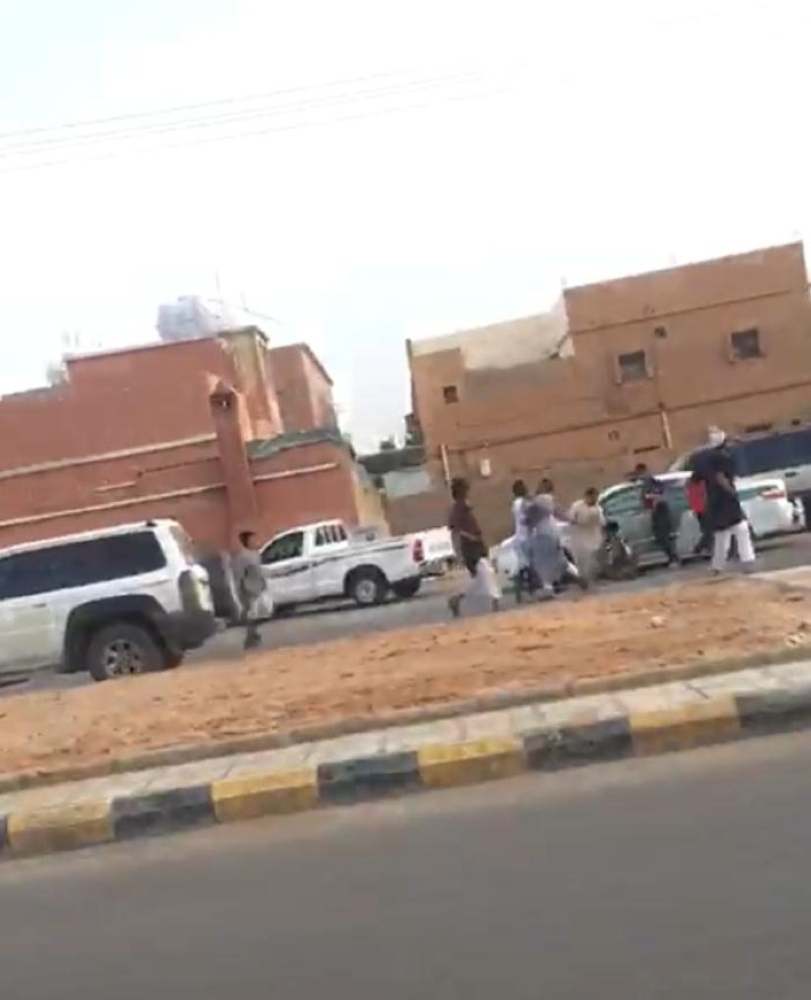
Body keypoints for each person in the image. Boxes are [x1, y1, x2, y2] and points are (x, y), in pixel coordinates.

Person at [695, 427, 756, 575]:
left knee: (722, 534)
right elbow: (720, 476)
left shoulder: (705, 458)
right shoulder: (722, 457)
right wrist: (731, 491)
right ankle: (747, 561)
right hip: (726, 498)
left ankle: (717, 566)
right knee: (741, 529)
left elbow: (700, 477)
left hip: (714, 499)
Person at [447, 477, 501, 617]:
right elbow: (455, 531)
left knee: (480, 579)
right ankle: (495, 601)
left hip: (476, 546)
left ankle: (457, 600)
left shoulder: (465, 507)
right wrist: (459, 551)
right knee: (486, 572)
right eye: (465, 490)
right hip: (470, 548)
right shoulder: (457, 510)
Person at [232, 530, 270, 650]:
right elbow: (239, 575)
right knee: (251, 613)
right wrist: (240, 591)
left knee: (259, 613)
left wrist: (264, 583)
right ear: (246, 541)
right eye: (252, 539)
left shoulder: (256, 554)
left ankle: (253, 634)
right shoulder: (242, 557)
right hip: (248, 588)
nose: (255, 541)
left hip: (258, 587)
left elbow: (259, 571)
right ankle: (250, 637)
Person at [633, 462, 676, 566]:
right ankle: (672, 557)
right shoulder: (649, 481)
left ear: (642, 471)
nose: (639, 476)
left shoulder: (649, 481)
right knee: (660, 536)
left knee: (662, 535)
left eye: (639, 473)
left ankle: (673, 558)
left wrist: (650, 498)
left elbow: (657, 494)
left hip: (659, 510)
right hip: (658, 510)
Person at [567, 487, 606, 585]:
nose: (594, 500)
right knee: (581, 561)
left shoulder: (598, 508)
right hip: (579, 539)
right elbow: (570, 519)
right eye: (593, 497)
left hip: (594, 539)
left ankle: (590, 581)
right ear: (587, 496)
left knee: (592, 562)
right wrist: (579, 522)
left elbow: (602, 522)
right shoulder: (577, 506)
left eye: (596, 498)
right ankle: (583, 581)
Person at [511, 479, 538, 599]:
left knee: (526, 564)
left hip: (521, 536)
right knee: (531, 564)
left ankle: (523, 588)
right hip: (525, 537)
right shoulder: (521, 503)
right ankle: (532, 589)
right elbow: (526, 518)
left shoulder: (516, 503)